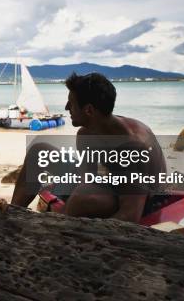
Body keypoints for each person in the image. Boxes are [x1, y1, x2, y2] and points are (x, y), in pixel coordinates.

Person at [11, 72, 166, 223]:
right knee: (39, 151)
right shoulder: (87, 133)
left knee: (83, 197)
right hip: (112, 180)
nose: (66, 107)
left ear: (89, 110)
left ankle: (58, 228)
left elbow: (130, 215)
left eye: (71, 103)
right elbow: (88, 177)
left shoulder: (132, 147)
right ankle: (11, 213)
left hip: (144, 198)